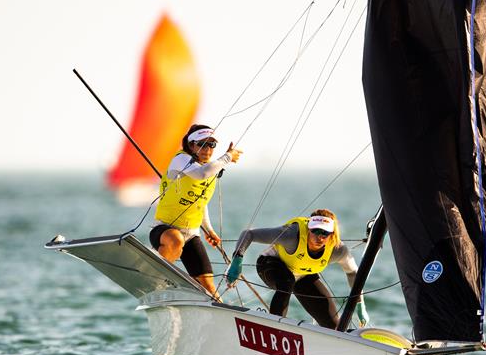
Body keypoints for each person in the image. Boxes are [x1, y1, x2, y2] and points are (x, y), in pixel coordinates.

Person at [226, 209, 369, 329]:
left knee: (333, 325)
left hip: (301, 274)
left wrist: (359, 303)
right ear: (308, 229)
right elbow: (249, 234)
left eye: (324, 233)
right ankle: (274, 327)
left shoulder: (338, 250)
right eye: (315, 231)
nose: (319, 237)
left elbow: (353, 273)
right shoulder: (291, 235)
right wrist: (237, 260)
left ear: (332, 234)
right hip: (270, 265)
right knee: (286, 282)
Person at [149, 124, 243, 299]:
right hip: (164, 229)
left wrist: (209, 229)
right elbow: (201, 174)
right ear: (191, 145)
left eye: (211, 145)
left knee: (209, 287)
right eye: (202, 144)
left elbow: (201, 203)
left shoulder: (210, 169)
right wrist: (228, 156)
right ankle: (155, 282)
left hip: (191, 234)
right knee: (176, 240)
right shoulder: (181, 160)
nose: (207, 149)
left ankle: (222, 316)